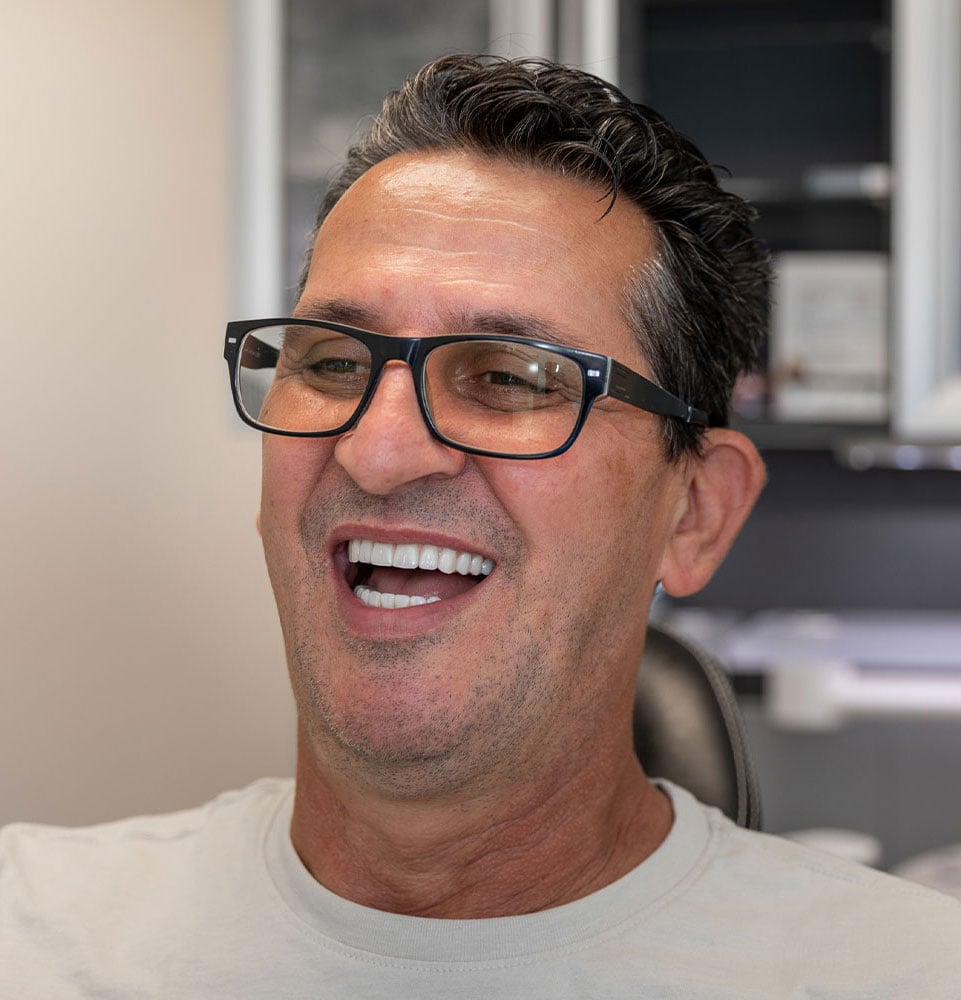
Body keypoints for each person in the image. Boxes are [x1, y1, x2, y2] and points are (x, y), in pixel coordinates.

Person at [2, 53, 959, 998]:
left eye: (508, 377)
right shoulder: (35, 934)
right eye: (331, 363)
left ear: (695, 512)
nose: (377, 453)